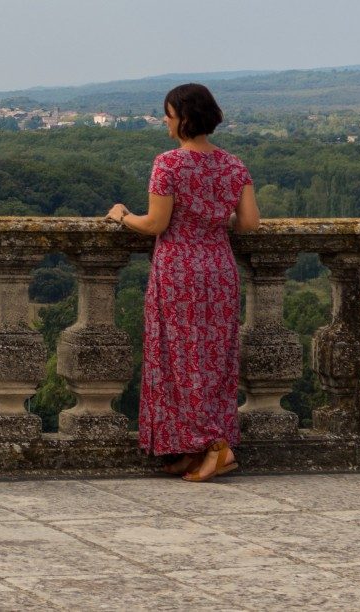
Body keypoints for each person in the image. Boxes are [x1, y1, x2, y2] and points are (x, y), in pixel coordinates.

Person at [105, 83, 260, 482]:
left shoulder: (168, 164)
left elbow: (155, 223)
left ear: (184, 119)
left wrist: (122, 215)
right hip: (219, 270)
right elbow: (248, 224)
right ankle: (196, 447)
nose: (165, 120)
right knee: (213, 360)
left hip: (179, 272)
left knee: (179, 359)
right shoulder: (234, 165)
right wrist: (210, 219)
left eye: (169, 114)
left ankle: (214, 447)